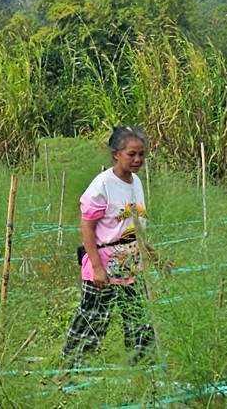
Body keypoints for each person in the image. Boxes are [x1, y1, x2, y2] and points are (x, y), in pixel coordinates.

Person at [61, 125, 156, 369]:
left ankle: (141, 369)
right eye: (131, 154)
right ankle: (70, 369)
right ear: (116, 154)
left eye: (141, 154)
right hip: (104, 263)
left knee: (138, 320)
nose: (137, 159)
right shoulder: (102, 185)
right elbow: (87, 227)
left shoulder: (136, 182)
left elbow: (134, 224)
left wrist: (152, 253)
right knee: (93, 320)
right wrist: (96, 267)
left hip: (131, 265)